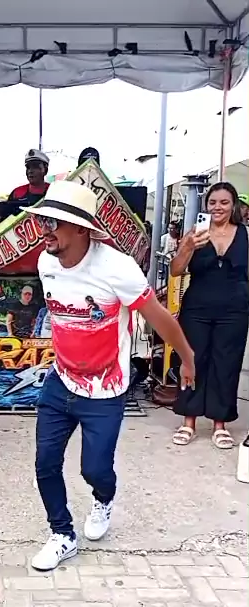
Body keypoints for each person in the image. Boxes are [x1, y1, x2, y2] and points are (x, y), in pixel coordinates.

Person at [26, 181, 195, 572]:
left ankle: (103, 498)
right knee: (45, 463)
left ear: (81, 228)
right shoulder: (46, 263)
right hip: (60, 381)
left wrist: (186, 358)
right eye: (42, 220)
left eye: (54, 222)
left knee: (95, 470)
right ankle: (62, 535)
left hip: (106, 389)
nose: (44, 229)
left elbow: (159, 318)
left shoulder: (116, 268)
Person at [170, 182, 249, 449]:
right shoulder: (195, 233)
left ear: (233, 205)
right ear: (206, 205)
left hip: (235, 310)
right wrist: (188, 247)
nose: (218, 207)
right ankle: (188, 421)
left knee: (226, 364)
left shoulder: (245, 234)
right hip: (197, 308)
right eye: (213, 202)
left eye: (224, 202)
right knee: (192, 361)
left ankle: (219, 424)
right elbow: (176, 270)